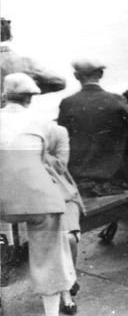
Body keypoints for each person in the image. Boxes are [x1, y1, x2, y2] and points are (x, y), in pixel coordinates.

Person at [0, 74, 79, 316]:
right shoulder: (42, 122)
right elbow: (46, 162)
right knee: (49, 258)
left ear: (4, 96)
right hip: (39, 198)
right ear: (30, 98)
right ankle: (53, 312)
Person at [58, 59, 128, 196]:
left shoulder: (67, 103)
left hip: (78, 176)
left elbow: (62, 140)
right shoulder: (116, 100)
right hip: (115, 176)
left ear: (76, 76)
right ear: (101, 74)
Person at [0, 17, 66, 96]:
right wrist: (25, 91)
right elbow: (59, 82)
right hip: (15, 104)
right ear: (10, 37)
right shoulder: (26, 62)